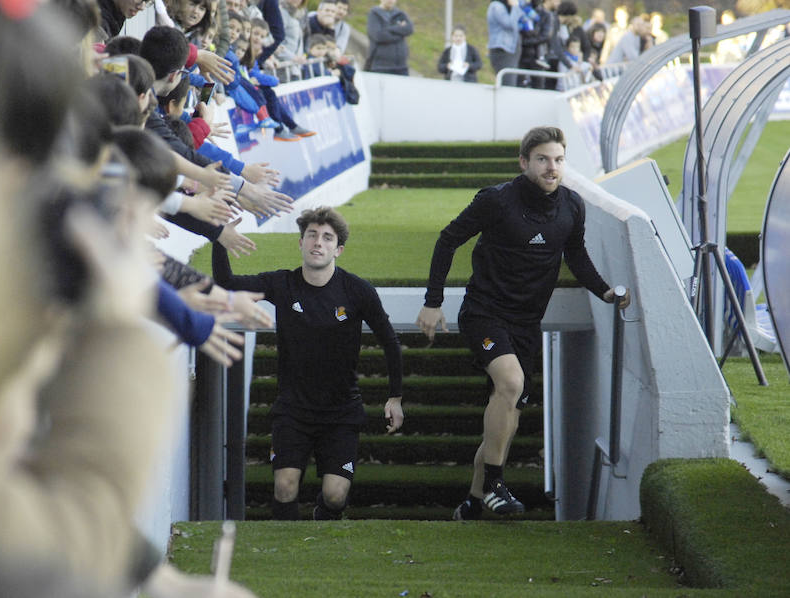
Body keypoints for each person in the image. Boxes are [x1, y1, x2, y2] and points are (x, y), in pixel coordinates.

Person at [415, 126, 630, 519]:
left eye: (559, 160)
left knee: (508, 417)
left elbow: (576, 254)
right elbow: (447, 240)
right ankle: (497, 484)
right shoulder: (496, 200)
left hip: (527, 323)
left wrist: (604, 292)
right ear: (524, 162)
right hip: (485, 313)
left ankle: (474, 502)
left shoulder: (571, 206)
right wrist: (433, 302)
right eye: (543, 159)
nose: (552, 168)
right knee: (510, 384)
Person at [212, 207, 405, 521]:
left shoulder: (358, 291)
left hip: (341, 411)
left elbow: (390, 343)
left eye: (327, 238)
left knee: (335, 494)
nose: (318, 242)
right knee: (285, 486)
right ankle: (284, 557)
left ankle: (322, 522)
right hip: (293, 410)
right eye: (312, 235)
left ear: (338, 249)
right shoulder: (282, 284)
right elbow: (227, 282)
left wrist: (395, 397)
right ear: (300, 243)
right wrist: (219, 239)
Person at [365, 0, 414, 76]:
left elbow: (409, 29)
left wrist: (389, 29)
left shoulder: (400, 14)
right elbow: (378, 36)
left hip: (401, 68)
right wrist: (400, 32)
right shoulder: (374, 14)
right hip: (380, 68)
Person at [486, 0, 524, 86]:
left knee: (511, 83)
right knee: (507, 83)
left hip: (511, 51)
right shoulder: (496, 6)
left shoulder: (506, 6)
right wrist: (515, 7)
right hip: (503, 50)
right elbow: (509, 24)